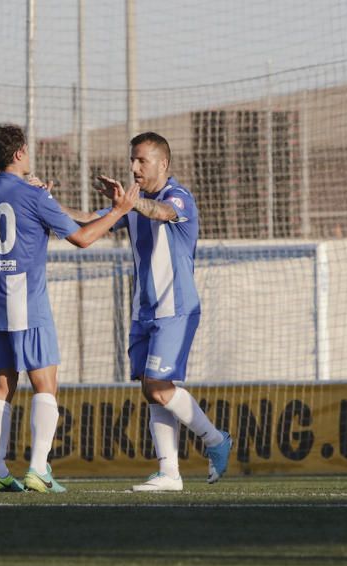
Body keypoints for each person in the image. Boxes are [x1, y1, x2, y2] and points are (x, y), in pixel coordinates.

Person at [68, 132, 232, 492]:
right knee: (151, 388)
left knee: (159, 387)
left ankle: (216, 440)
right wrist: (44, 201)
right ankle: (169, 473)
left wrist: (127, 204)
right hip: (144, 309)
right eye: (132, 160)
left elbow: (163, 212)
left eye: (141, 160)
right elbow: (86, 220)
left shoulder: (179, 196)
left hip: (176, 308)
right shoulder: (133, 203)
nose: (133, 167)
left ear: (163, 163)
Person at [0, 125, 137, 493]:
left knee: (2, 384)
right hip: (27, 300)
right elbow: (83, 238)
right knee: (44, 383)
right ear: (19, 154)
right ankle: (38, 469)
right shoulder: (34, 196)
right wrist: (120, 210)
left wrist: (41, 203)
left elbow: (19, 226)